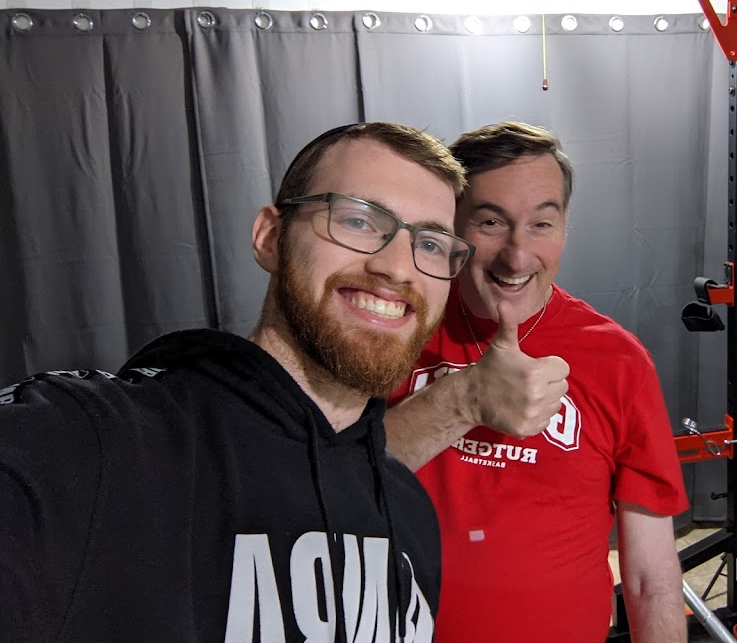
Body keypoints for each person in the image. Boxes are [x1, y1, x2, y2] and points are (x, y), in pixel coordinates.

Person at [0, 121, 472, 643]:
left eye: (431, 244)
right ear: (270, 238)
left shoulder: (408, 512)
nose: (398, 269)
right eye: (358, 220)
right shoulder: (91, 440)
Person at [386, 122, 689, 643]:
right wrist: (463, 399)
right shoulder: (394, 328)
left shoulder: (619, 361)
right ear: (451, 225)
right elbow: (328, 484)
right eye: (490, 222)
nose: (518, 255)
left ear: (565, 226)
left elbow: (649, 579)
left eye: (541, 224)